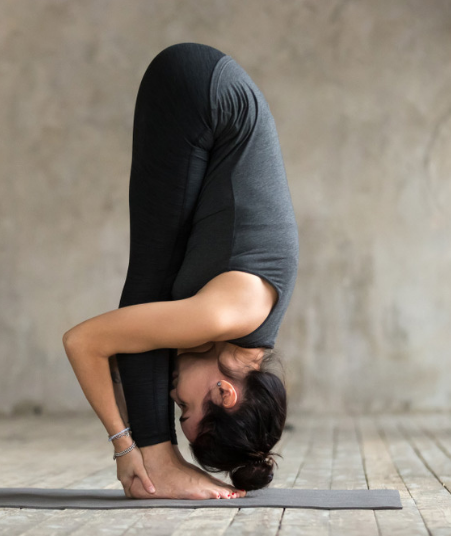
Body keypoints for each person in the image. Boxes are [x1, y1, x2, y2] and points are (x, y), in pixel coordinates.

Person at [63, 42, 298, 500]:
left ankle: (160, 457)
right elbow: (84, 342)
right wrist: (126, 447)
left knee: (149, 306)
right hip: (200, 93)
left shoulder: (239, 330)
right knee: (148, 282)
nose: (174, 397)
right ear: (225, 393)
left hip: (207, 87)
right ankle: (160, 458)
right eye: (185, 407)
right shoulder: (224, 316)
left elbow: (124, 354)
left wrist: (134, 426)